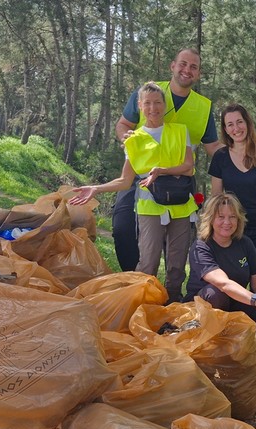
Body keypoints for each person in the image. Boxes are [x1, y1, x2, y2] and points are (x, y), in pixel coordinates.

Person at [70, 82, 197, 303]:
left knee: (177, 265)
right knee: (148, 262)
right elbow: (125, 180)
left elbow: (188, 166)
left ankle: (173, 304)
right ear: (139, 106)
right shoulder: (133, 140)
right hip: (150, 208)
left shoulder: (179, 131)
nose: (153, 108)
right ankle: (142, 304)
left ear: (164, 105)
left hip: (180, 207)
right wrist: (95, 188)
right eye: (147, 103)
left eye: (157, 103)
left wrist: (161, 171)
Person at [112, 48, 221, 273]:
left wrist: (242, 151)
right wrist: (126, 138)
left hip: (178, 181)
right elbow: (123, 124)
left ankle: (171, 294)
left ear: (199, 74)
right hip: (140, 177)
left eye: (193, 67)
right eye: (183, 64)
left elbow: (213, 147)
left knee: (175, 246)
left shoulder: (203, 107)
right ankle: (134, 284)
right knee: (123, 228)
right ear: (173, 65)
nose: (187, 70)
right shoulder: (148, 91)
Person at [184, 193, 256, 338]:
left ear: (239, 219)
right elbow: (223, 284)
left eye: (232, 217)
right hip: (203, 306)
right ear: (211, 219)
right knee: (215, 293)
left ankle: (230, 334)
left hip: (235, 303)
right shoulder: (201, 246)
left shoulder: (245, 243)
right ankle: (207, 335)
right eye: (221, 217)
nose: (227, 222)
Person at [209, 104, 256, 282]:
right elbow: (215, 197)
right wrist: (213, 226)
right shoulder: (220, 157)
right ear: (225, 129)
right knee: (234, 276)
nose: (236, 128)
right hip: (232, 226)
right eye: (230, 124)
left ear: (248, 123)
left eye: (239, 122)